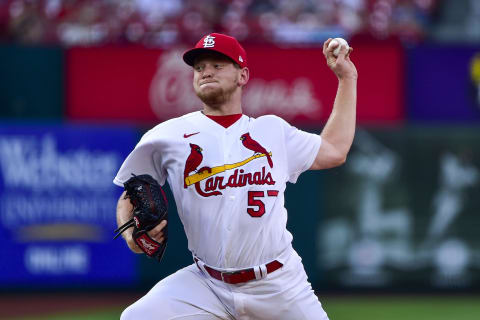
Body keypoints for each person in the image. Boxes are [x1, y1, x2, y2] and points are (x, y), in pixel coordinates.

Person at [114, 33, 357, 320]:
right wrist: (130, 232)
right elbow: (131, 192)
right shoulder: (168, 135)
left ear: (242, 76)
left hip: (277, 284)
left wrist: (347, 79)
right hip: (206, 283)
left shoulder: (272, 131)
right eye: (200, 67)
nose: (205, 71)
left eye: (217, 65)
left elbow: (335, 150)